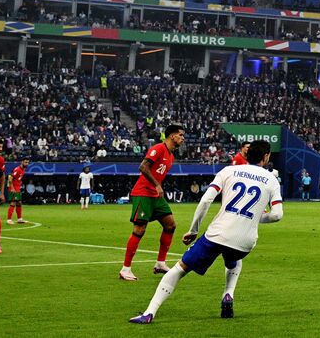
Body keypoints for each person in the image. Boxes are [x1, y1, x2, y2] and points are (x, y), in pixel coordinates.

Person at [129, 140, 283, 324]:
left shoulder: (228, 171)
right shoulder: (272, 180)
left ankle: (149, 313)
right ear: (266, 157)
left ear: (246, 154)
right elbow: (277, 215)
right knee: (234, 259)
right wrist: (255, 216)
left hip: (218, 234)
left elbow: (205, 201)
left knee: (179, 269)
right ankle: (228, 294)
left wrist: (194, 230)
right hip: (245, 242)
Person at [120, 124, 186, 281]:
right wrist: (157, 185)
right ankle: (125, 269)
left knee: (170, 225)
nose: (182, 138)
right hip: (143, 193)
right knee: (139, 229)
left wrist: (157, 187)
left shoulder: (171, 156)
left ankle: (160, 263)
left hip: (155, 196)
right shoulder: (158, 148)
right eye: (180, 135)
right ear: (172, 136)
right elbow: (143, 167)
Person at [6, 158, 29, 225]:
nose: (26, 164)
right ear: (22, 162)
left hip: (17, 188)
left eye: (27, 162)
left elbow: (18, 178)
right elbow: (10, 178)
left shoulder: (23, 169)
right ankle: (9, 219)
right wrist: (12, 188)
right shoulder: (17, 169)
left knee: (19, 203)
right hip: (14, 188)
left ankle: (19, 219)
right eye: (25, 162)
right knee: (13, 203)